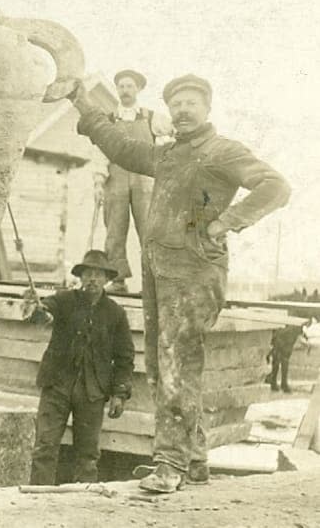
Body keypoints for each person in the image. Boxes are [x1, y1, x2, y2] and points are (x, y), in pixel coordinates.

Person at [69, 74, 290, 492]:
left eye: (191, 103)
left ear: (207, 108)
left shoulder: (222, 151)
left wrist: (226, 223)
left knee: (177, 365)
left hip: (194, 272)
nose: (183, 110)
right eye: (176, 104)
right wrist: (82, 104)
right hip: (159, 271)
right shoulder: (168, 154)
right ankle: (194, 460)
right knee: (161, 364)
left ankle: (170, 464)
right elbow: (121, 148)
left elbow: (276, 186)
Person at [26, 249, 134, 485]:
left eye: (98, 274)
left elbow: (125, 357)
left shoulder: (115, 313)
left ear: (107, 279)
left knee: (87, 457)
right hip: (57, 386)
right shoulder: (64, 300)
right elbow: (44, 313)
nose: (93, 279)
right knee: (45, 447)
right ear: (80, 277)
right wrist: (36, 309)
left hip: (92, 392)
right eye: (88, 274)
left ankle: (83, 507)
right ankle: (36, 502)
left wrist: (119, 394)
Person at [92, 69, 172, 293]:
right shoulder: (107, 120)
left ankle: (153, 282)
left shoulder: (151, 118)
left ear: (138, 89)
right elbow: (100, 153)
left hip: (144, 180)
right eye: (121, 86)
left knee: (149, 230)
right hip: (115, 180)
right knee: (114, 230)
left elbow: (173, 135)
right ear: (117, 90)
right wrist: (98, 183)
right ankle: (117, 281)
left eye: (129, 86)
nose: (125, 91)